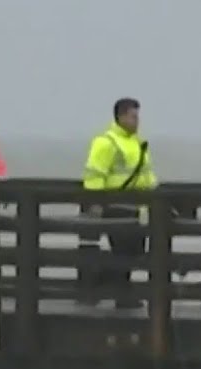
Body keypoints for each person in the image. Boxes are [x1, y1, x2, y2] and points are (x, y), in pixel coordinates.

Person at [80, 97, 158, 308]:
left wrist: (155, 195)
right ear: (121, 117)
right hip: (116, 206)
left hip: (136, 207)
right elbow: (94, 174)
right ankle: (121, 296)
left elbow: (146, 175)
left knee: (133, 253)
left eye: (137, 117)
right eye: (133, 117)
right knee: (123, 253)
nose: (137, 121)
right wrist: (95, 202)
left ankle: (104, 287)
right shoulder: (106, 142)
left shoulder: (137, 143)